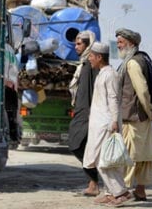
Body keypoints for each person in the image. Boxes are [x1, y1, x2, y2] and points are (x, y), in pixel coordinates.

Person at [82, 42, 131, 207]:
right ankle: (110, 193)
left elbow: (113, 99)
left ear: (99, 57)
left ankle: (121, 192)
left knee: (103, 160)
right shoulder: (103, 73)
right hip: (99, 123)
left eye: (91, 56)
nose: (89, 59)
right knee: (105, 160)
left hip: (106, 124)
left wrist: (114, 121)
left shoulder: (110, 74)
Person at [115, 28, 152, 201]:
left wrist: (150, 111)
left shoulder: (132, 63)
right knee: (143, 155)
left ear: (130, 43)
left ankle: (122, 192)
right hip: (141, 116)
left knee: (129, 155)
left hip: (134, 117)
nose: (118, 45)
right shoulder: (142, 59)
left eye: (120, 42)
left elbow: (142, 90)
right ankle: (140, 191)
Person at [67, 30, 100, 197]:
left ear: (88, 45)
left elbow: (91, 91)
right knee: (85, 147)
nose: (76, 46)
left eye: (79, 43)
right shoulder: (84, 64)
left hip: (86, 113)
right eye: (76, 43)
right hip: (82, 111)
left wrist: (88, 114)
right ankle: (93, 182)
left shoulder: (89, 65)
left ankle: (95, 181)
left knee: (77, 144)